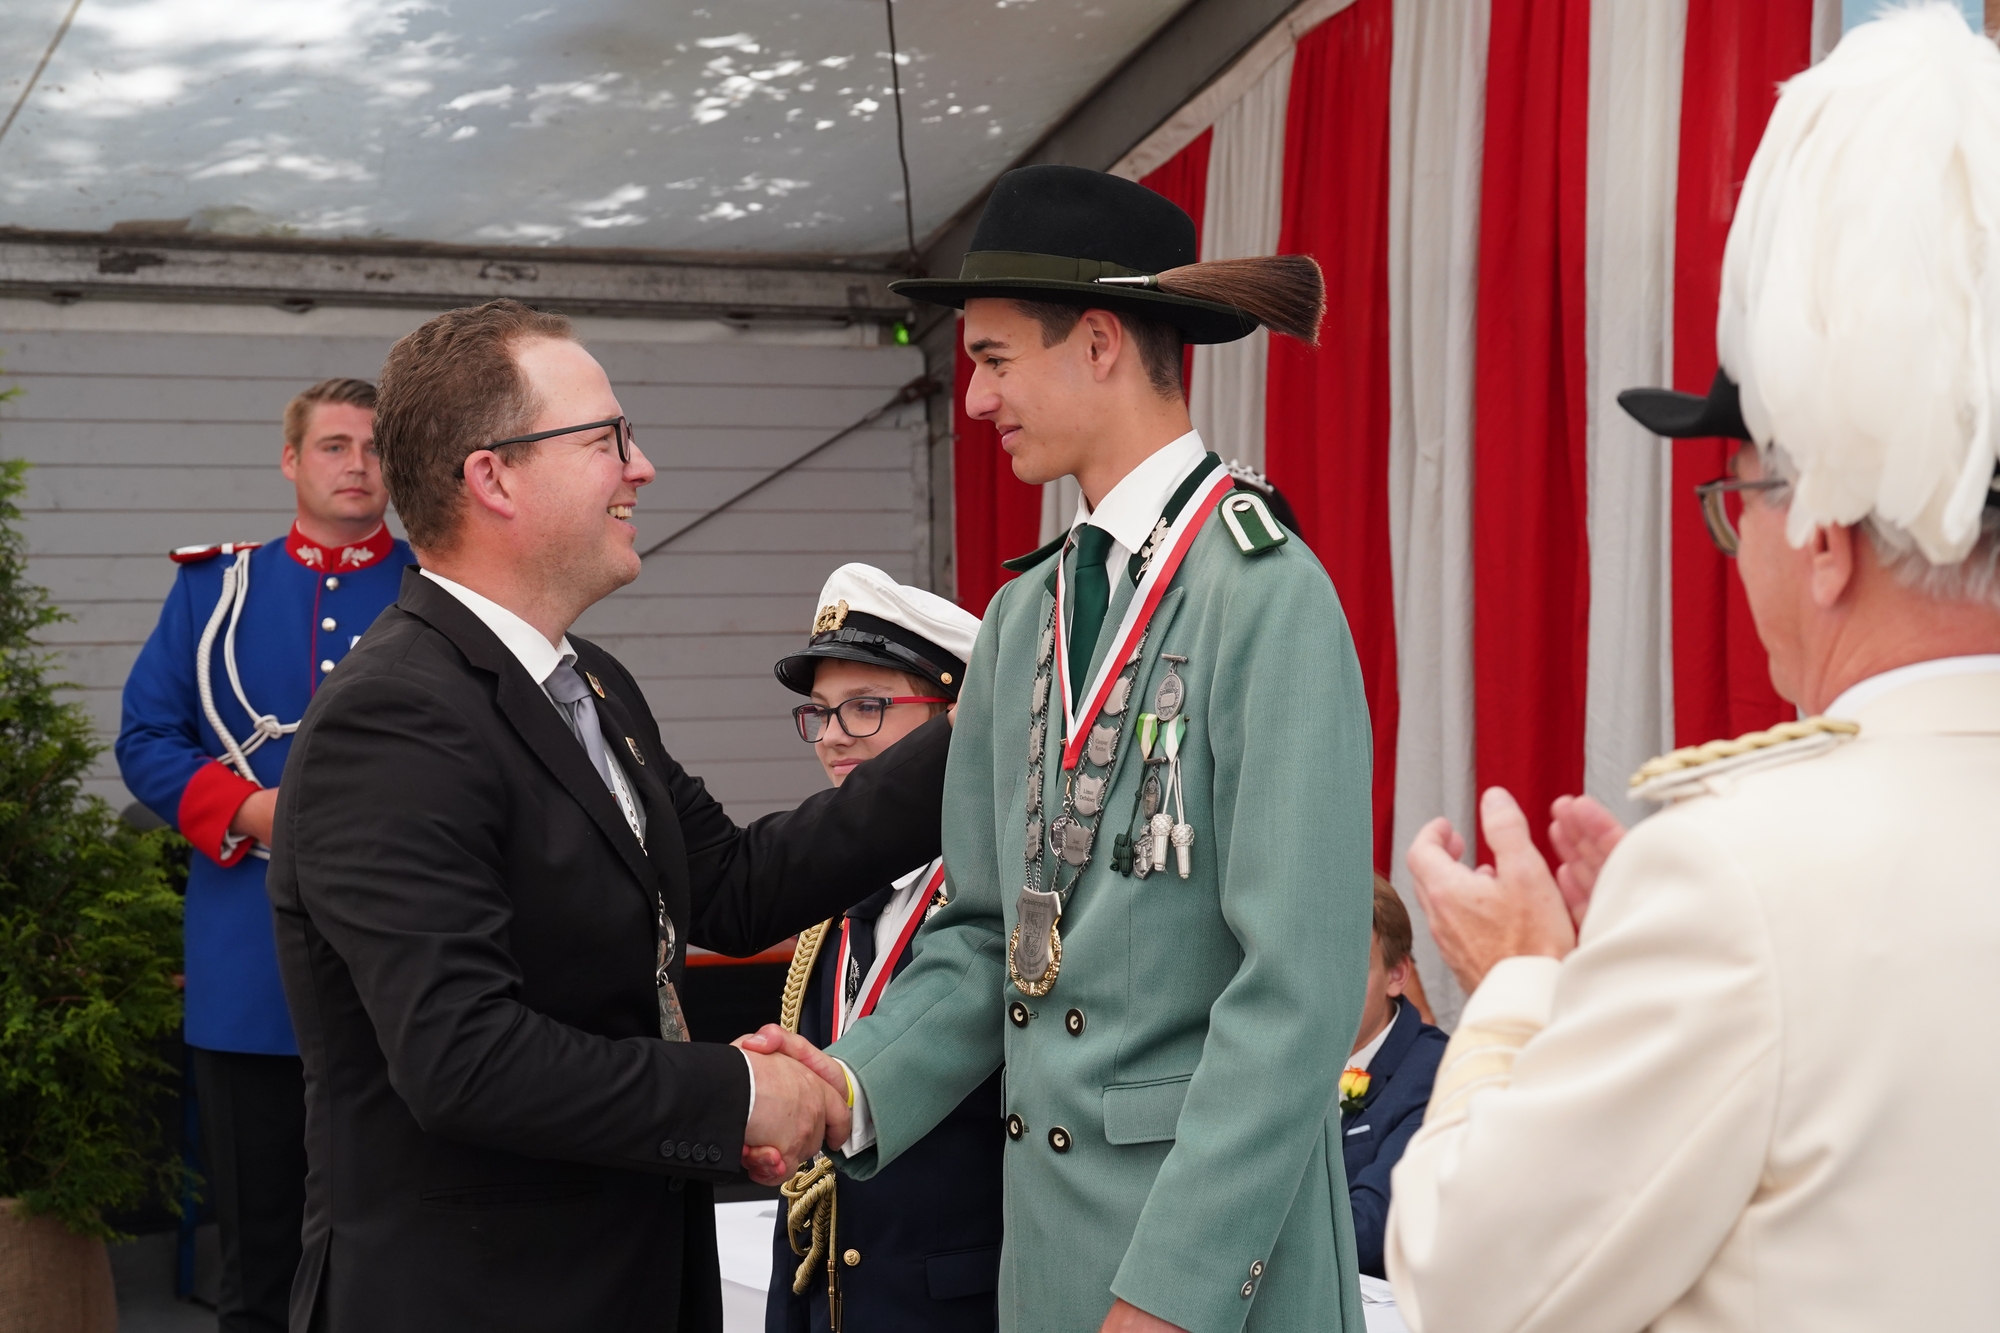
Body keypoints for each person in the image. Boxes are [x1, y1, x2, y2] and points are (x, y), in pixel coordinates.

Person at [1388, 8, 2000, 1331]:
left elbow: (1463, 1283)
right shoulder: (1730, 885)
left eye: (1737, 502)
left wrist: (1525, 982)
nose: (1738, 547)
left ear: (1823, 533)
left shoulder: (1736, 876)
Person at [743, 164, 1374, 1333]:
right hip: (1046, 1263)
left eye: (992, 359)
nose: (976, 399)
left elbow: (1296, 992)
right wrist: (847, 1083)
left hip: (1202, 1270)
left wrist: (1169, 1293)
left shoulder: (1263, 593)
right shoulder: (1025, 614)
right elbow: (987, 931)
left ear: (1095, 342)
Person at [263, 300, 949, 1333]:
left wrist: (983, 732)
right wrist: (739, 1093)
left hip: (622, 1274)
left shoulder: (588, 683)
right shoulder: (395, 715)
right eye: (607, 440)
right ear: (493, 477)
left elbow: (732, 884)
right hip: (481, 1299)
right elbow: (463, 1058)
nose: (643, 468)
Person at [116, 376, 405, 1333]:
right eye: (334, 444)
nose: (357, 463)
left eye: (374, 445)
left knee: (401, 1252)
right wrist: (251, 809)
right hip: (250, 976)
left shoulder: (437, 588)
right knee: (258, 1268)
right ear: (291, 460)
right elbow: (146, 737)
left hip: (408, 970)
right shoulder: (214, 589)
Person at [764, 562, 1001, 1333]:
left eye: (867, 707)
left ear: (955, 719)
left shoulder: (1000, 897)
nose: (833, 736)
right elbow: (807, 1198)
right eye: (821, 712)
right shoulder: (831, 906)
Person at [1340, 877, 1445, 1281]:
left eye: (1351, 966)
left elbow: (1367, 1231)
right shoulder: (1278, 1052)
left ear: (1396, 975)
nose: (1327, 988)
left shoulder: (1434, 1073)